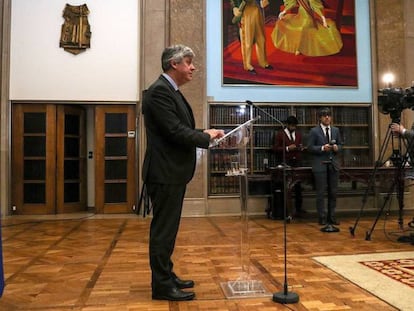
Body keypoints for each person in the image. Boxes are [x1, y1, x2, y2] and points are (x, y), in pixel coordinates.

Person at [142, 44, 224, 301]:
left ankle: (167, 275)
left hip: (172, 172)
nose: (193, 67)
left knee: (169, 230)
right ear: (174, 64)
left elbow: (178, 127)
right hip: (165, 172)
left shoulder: (170, 91)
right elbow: (175, 131)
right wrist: (203, 136)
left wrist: (204, 133)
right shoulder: (158, 92)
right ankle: (162, 286)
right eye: (189, 62)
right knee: (163, 231)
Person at [307, 107, 342, 226]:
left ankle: (331, 217)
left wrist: (337, 147)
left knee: (333, 192)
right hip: (320, 165)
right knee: (321, 193)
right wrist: (322, 148)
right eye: (324, 115)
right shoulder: (314, 131)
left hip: (333, 165)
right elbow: (310, 147)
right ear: (320, 118)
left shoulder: (336, 130)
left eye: (329, 115)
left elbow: (341, 144)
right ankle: (321, 217)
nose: (327, 117)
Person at [271, 0, 343, 56]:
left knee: (304, 27)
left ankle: (301, 47)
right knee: (286, 23)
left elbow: (316, 6)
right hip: (300, 15)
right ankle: (299, 47)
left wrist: (323, 19)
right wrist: (284, 12)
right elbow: (292, 3)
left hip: (309, 17)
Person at [272, 115, 306, 218]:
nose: (293, 128)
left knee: (298, 187)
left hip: (297, 163)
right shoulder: (280, 134)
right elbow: (275, 148)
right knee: (286, 188)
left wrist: (300, 148)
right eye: (292, 126)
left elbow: (299, 144)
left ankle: (299, 209)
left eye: (295, 126)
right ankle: (287, 211)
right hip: (285, 163)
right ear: (287, 125)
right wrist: (287, 148)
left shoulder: (299, 134)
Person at [230, 0, 273, 74]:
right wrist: (234, 7)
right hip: (246, 10)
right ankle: (247, 65)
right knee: (248, 40)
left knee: (261, 38)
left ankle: (263, 62)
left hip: (257, 8)